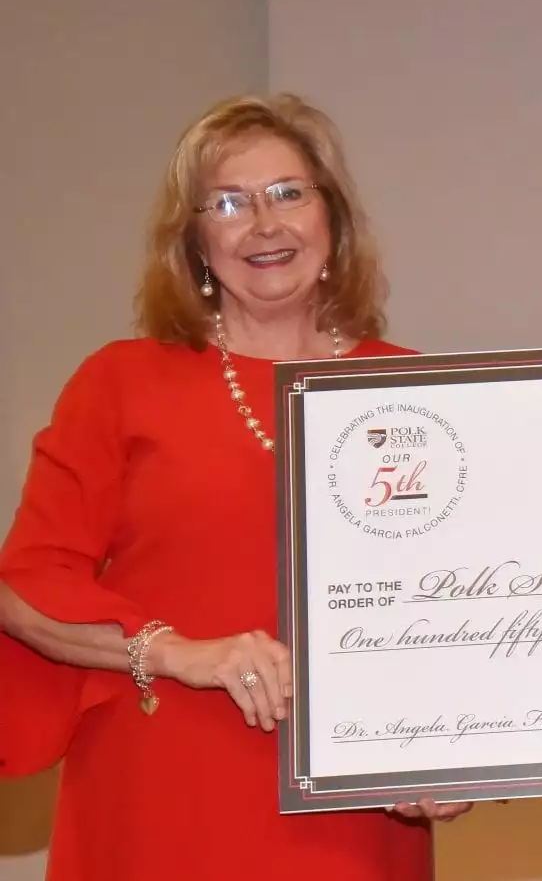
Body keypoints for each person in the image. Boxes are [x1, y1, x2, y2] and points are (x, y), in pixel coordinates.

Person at [0, 93, 470, 881]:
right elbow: (25, 587)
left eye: (288, 193)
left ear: (332, 216)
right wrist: (177, 651)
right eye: (228, 203)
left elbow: (466, 605)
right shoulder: (120, 382)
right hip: (159, 790)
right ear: (194, 240)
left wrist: (455, 750)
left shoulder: (415, 389)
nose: (264, 224)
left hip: (349, 812)